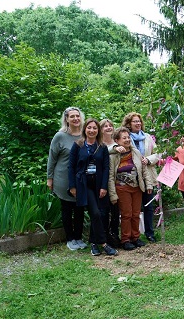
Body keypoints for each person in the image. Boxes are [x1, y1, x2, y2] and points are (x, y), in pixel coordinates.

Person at [68, 118, 117, 256]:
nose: (92, 130)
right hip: (84, 185)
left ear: (98, 130)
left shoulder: (101, 147)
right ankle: (104, 243)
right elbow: (71, 166)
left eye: (94, 128)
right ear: (85, 129)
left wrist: (104, 186)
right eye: (89, 127)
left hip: (99, 184)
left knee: (101, 214)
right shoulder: (78, 145)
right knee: (95, 213)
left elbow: (106, 168)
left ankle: (94, 243)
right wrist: (72, 186)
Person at [47, 106, 87, 251]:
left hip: (81, 179)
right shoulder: (60, 136)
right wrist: (49, 178)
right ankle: (70, 239)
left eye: (78, 116)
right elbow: (52, 158)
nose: (76, 118)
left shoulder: (85, 135)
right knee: (67, 208)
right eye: (72, 116)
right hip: (63, 178)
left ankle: (78, 237)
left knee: (80, 209)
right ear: (67, 119)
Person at [108, 127, 154, 250]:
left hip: (137, 187)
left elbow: (144, 171)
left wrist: (149, 184)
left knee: (136, 213)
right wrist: (113, 194)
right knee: (126, 214)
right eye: (124, 138)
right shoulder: (113, 156)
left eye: (128, 137)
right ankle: (125, 239)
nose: (127, 140)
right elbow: (110, 177)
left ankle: (135, 237)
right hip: (122, 189)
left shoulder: (136, 153)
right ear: (117, 140)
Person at [121, 112, 159, 243]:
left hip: (148, 175)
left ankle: (150, 233)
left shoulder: (147, 137)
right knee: (133, 209)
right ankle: (133, 235)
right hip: (133, 178)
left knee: (148, 206)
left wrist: (148, 160)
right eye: (134, 122)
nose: (138, 123)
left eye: (139, 121)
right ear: (129, 124)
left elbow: (157, 154)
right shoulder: (125, 138)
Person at [100, 119, 122, 247]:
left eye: (110, 126)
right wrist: (114, 148)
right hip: (103, 182)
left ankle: (115, 235)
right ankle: (104, 236)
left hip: (118, 182)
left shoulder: (117, 141)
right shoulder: (99, 144)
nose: (108, 128)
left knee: (115, 212)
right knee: (103, 212)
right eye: (105, 126)